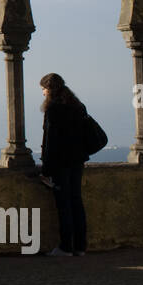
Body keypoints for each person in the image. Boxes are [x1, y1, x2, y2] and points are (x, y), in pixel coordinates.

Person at [40, 72, 88, 257]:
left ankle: (66, 246)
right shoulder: (78, 106)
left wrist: (46, 169)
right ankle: (80, 246)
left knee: (64, 204)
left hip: (60, 163)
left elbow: (50, 140)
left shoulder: (53, 109)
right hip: (77, 160)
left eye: (44, 89)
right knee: (76, 201)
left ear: (50, 89)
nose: (43, 93)